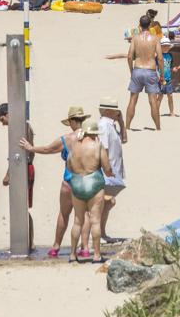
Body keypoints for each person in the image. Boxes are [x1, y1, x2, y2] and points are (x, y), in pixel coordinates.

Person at [20, 106, 88, 258]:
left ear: (72, 121)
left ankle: (56, 246)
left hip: (69, 180)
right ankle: (85, 247)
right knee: (85, 215)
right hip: (85, 181)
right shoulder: (90, 137)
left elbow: (47, 149)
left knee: (64, 214)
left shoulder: (67, 139)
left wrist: (30, 148)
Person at [66, 119, 113, 263]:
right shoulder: (97, 146)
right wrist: (111, 173)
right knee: (95, 221)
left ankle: (72, 255)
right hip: (94, 183)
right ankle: (97, 255)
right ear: (93, 133)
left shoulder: (74, 146)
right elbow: (107, 168)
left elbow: (69, 167)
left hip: (77, 183)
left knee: (77, 221)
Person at [0, 102, 35, 246]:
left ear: (8, 114)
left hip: (23, 169)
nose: (3, 124)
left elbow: (17, 155)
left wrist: (8, 174)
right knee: (24, 207)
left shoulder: (19, 128)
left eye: (2, 120)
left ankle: (25, 242)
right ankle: (29, 242)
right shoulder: (26, 126)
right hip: (27, 167)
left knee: (21, 207)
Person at [96, 99, 127, 244]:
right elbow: (104, 150)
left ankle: (101, 233)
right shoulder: (103, 125)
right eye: (116, 110)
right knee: (105, 203)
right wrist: (106, 170)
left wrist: (122, 123)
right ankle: (98, 235)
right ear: (108, 110)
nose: (118, 112)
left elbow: (124, 139)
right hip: (107, 171)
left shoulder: (111, 125)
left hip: (113, 170)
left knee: (108, 203)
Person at [126, 15, 162, 132]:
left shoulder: (135, 38)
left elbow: (129, 56)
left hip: (138, 69)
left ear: (140, 24)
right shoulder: (155, 39)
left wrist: (131, 71)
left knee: (133, 99)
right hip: (150, 70)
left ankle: (127, 127)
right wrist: (161, 74)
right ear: (150, 24)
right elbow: (160, 58)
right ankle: (158, 128)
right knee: (153, 101)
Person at [157, 37, 180, 117]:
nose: (166, 47)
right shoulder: (158, 56)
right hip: (160, 80)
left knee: (170, 96)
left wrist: (173, 69)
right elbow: (155, 68)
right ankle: (156, 112)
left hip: (168, 79)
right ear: (161, 47)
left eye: (167, 46)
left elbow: (170, 67)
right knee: (160, 96)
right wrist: (159, 77)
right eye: (164, 46)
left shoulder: (170, 55)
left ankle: (171, 112)